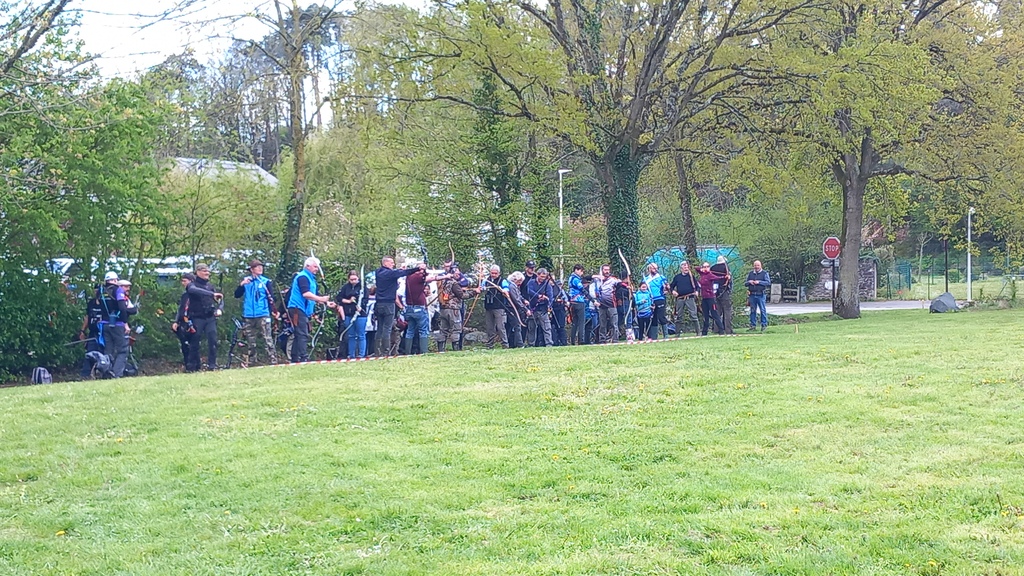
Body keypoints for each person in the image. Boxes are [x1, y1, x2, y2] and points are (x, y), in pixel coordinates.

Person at [287, 257, 335, 363]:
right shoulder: (303, 277)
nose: (317, 269)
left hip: (303, 309)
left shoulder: (311, 279)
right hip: (297, 308)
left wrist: (326, 302)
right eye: (315, 266)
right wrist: (321, 299)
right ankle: (303, 357)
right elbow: (306, 294)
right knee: (302, 333)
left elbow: (314, 294)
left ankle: (295, 358)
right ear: (307, 266)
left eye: (317, 267)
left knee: (299, 334)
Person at [372, 256, 423, 357]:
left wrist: (399, 270)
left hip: (378, 304)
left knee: (379, 328)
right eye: (391, 262)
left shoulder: (378, 272)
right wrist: (418, 268)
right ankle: (385, 352)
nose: (393, 264)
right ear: (385, 263)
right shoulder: (390, 273)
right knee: (387, 328)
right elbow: (404, 273)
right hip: (388, 304)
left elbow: (396, 273)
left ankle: (377, 351)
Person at [234, 259, 278, 366]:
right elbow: (237, 295)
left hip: (262, 314)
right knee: (250, 340)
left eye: (261, 266)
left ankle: (273, 360)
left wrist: (273, 311)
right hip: (248, 315)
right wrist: (241, 285)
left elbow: (271, 298)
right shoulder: (246, 281)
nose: (260, 268)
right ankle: (252, 361)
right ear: (252, 270)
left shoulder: (266, 282)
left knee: (267, 338)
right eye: (257, 267)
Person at [403, 265, 449, 355]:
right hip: (419, 308)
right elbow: (432, 278)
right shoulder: (417, 277)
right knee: (423, 330)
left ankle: (407, 352)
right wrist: (446, 276)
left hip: (409, 308)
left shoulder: (409, 277)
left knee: (410, 331)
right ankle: (424, 352)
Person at [97, 271, 131, 377]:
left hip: (104, 324)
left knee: (108, 350)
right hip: (117, 323)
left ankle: (106, 373)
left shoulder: (101, 291)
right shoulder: (118, 290)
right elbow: (122, 308)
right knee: (122, 350)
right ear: (115, 280)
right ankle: (117, 374)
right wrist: (125, 323)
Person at [436, 265, 474, 353]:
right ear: (452, 274)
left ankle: (441, 350)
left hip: (443, 309)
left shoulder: (443, 281)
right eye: (456, 274)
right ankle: (455, 349)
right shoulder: (454, 283)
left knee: (443, 329)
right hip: (453, 309)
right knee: (456, 329)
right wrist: (474, 292)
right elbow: (462, 295)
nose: (458, 275)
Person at [78, 285, 106, 377]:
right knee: (90, 354)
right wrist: (82, 331)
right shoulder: (91, 303)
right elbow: (87, 317)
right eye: (95, 290)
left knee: (103, 354)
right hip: (93, 333)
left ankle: (103, 373)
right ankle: (85, 375)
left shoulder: (106, 304)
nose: (97, 292)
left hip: (104, 334)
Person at [592, 264, 625, 343]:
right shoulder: (597, 280)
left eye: (608, 270)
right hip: (601, 305)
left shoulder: (613, 280)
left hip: (611, 305)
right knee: (602, 324)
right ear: (602, 270)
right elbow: (586, 278)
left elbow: (621, 284)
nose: (607, 271)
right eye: (605, 270)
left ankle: (615, 339)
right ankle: (602, 340)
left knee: (614, 324)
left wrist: (627, 285)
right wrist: (597, 276)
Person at [524, 267, 555, 347]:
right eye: (541, 276)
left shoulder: (547, 284)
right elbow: (529, 291)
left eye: (544, 277)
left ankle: (549, 343)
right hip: (533, 307)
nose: (543, 278)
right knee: (531, 327)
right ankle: (531, 344)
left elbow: (550, 296)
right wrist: (539, 296)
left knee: (546, 327)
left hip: (543, 308)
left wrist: (549, 305)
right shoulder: (531, 282)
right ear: (537, 275)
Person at [482, 265, 510, 349]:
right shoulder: (486, 280)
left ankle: (505, 344)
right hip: (489, 306)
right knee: (490, 327)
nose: (493, 275)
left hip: (499, 307)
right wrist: (482, 288)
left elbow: (506, 288)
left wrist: (504, 291)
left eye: (495, 273)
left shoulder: (502, 280)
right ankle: (490, 345)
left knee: (500, 327)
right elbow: (482, 287)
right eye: (492, 273)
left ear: (499, 273)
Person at [670, 261, 701, 337]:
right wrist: (673, 291)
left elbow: (697, 286)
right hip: (680, 299)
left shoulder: (691, 277)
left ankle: (698, 332)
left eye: (687, 267)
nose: (686, 268)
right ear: (681, 268)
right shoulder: (677, 277)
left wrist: (697, 291)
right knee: (679, 316)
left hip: (690, 298)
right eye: (684, 267)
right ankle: (677, 334)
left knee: (693, 315)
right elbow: (671, 286)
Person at [696, 262, 727, 336]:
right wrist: (701, 269)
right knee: (705, 315)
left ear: (709, 267)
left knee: (714, 314)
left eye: (707, 267)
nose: (706, 268)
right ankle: (704, 332)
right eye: (704, 267)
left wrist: (726, 277)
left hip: (711, 298)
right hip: (704, 298)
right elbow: (696, 268)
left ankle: (721, 330)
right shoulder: (702, 274)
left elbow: (719, 278)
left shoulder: (710, 275)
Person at [643, 262, 669, 339]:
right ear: (649, 269)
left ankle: (666, 335)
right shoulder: (646, 279)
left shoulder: (661, 277)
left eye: (656, 268)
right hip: (651, 300)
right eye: (653, 268)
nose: (655, 269)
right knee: (653, 318)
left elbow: (666, 287)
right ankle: (654, 337)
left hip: (660, 299)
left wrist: (667, 288)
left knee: (661, 316)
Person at [745, 260, 771, 332]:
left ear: (760, 266)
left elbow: (768, 282)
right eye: (755, 265)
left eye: (758, 265)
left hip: (761, 295)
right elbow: (745, 283)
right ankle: (752, 326)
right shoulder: (750, 273)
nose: (756, 267)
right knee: (752, 311)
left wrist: (759, 282)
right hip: (752, 295)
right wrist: (749, 282)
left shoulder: (764, 273)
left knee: (762, 310)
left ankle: (764, 325)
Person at [711, 256, 734, 334]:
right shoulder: (725, 267)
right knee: (727, 311)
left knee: (717, 311)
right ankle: (728, 330)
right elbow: (729, 279)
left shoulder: (712, 268)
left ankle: (716, 329)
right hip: (724, 292)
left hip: (715, 292)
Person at [506, 271, 528, 348]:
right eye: (520, 281)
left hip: (514, 308)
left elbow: (519, 296)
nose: (520, 283)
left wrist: (524, 300)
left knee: (513, 327)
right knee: (517, 326)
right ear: (515, 280)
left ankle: (512, 344)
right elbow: (516, 299)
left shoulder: (515, 286)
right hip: (512, 308)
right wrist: (525, 309)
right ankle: (519, 344)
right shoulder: (512, 286)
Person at [567, 264, 588, 345]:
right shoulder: (576, 279)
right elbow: (582, 289)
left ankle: (572, 341)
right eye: (581, 271)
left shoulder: (570, 278)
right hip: (579, 301)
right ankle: (581, 340)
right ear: (576, 270)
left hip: (572, 302)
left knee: (575, 322)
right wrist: (591, 299)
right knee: (581, 322)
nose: (582, 273)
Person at [551, 279, 568, 346]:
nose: (559, 286)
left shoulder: (562, 291)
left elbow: (566, 299)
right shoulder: (551, 290)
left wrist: (564, 302)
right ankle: (555, 342)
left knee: (561, 326)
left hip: (560, 309)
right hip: (553, 309)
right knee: (553, 327)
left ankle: (563, 342)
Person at [363, 285, 377, 357]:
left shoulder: (365, 300)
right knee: (372, 337)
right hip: (373, 321)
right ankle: (371, 352)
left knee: (365, 337)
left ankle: (365, 352)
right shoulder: (376, 300)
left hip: (366, 320)